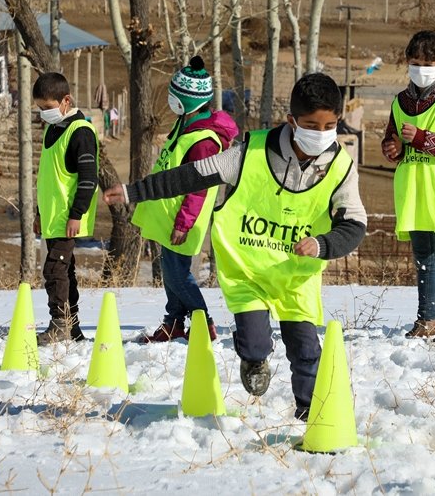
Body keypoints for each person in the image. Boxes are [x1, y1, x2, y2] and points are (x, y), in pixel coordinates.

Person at [104, 73, 365, 420]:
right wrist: (134, 191)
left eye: (330, 125)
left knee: (305, 348)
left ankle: (310, 414)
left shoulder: (341, 166)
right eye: (311, 125)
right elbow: (191, 175)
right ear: (292, 121)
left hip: (296, 277)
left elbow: (355, 224)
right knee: (255, 344)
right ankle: (254, 359)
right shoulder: (248, 154)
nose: (321, 134)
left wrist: (322, 243)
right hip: (248, 273)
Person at [131, 56, 238, 343]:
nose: (170, 99)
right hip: (167, 214)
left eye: (174, 94)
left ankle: (204, 322)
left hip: (182, 219)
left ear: (187, 101)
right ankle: (174, 323)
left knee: (177, 275)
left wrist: (183, 223)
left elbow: (198, 188)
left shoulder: (204, 140)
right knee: (170, 271)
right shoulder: (185, 125)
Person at [381, 30, 435, 342]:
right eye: (415, 63)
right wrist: (393, 149)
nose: (420, 69)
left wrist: (420, 138)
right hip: (412, 190)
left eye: (427, 63)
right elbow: (392, 138)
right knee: (423, 259)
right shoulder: (401, 101)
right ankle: (427, 318)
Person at [32, 71, 99, 345]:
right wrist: (39, 213)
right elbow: (49, 178)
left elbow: (89, 179)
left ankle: (60, 324)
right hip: (52, 217)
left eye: (47, 107)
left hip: (67, 218)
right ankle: (71, 327)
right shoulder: (53, 128)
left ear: (65, 101)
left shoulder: (80, 132)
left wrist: (76, 215)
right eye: (39, 108)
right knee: (64, 271)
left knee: (54, 270)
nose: (43, 113)